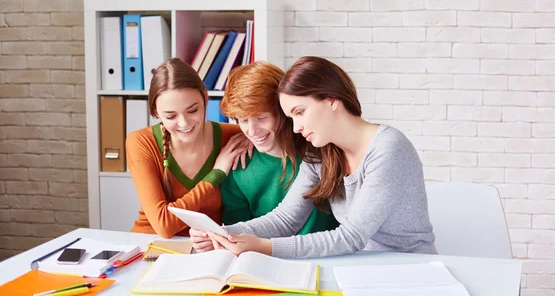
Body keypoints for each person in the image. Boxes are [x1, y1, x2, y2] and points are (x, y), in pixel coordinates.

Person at [190, 56, 436, 258]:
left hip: (412, 268)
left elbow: (350, 237)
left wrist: (265, 247)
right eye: (291, 117)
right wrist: (221, 232)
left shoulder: (388, 148)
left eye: (300, 112)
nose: (295, 127)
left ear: (331, 101)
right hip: (359, 265)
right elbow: (286, 219)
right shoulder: (321, 152)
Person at [196, 62, 338, 250]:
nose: (252, 131)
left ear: (282, 111)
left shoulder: (318, 148)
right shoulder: (239, 165)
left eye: (261, 118)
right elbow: (240, 237)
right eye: (243, 120)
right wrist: (215, 235)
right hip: (268, 260)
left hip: (328, 255)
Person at [127, 58, 249, 238]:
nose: (184, 123)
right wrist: (216, 174)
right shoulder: (141, 142)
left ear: (205, 98)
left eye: (192, 110)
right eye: (171, 116)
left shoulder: (233, 137)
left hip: (206, 249)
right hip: (151, 243)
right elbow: (164, 226)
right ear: (155, 112)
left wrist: (253, 137)